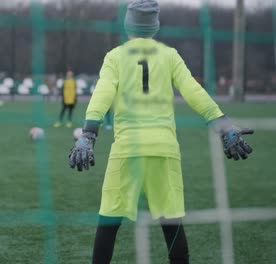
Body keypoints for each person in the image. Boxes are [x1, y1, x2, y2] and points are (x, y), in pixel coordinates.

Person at [68, 1, 254, 263]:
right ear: (155, 26)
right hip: (164, 151)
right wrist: (220, 121)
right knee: (172, 225)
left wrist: (89, 133)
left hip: (127, 151)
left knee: (108, 222)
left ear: (128, 23)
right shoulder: (170, 55)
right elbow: (192, 90)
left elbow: (103, 93)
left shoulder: (115, 56)